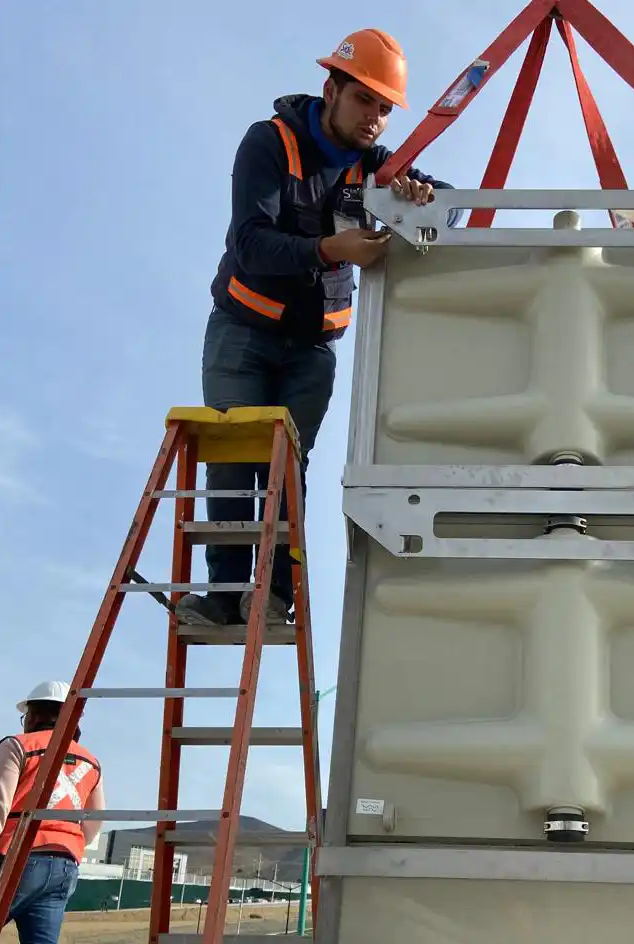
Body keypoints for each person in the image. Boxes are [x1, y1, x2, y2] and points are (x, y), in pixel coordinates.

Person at [177, 28, 456, 628]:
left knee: (286, 469)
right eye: (365, 101)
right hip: (242, 333)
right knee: (233, 460)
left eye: (385, 108)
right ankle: (224, 597)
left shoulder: (374, 165)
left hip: (311, 350)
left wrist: (421, 192)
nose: (375, 119)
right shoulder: (270, 144)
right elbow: (251, 244)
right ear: (331, 89)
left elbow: (450, 198)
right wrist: (333, 247)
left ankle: (274, 596)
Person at [0, 681, 104, 944]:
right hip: (64, 863)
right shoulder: (90, 762)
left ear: (35, 713)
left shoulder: (18, 744)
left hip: (17, 856)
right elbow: (94, 823)